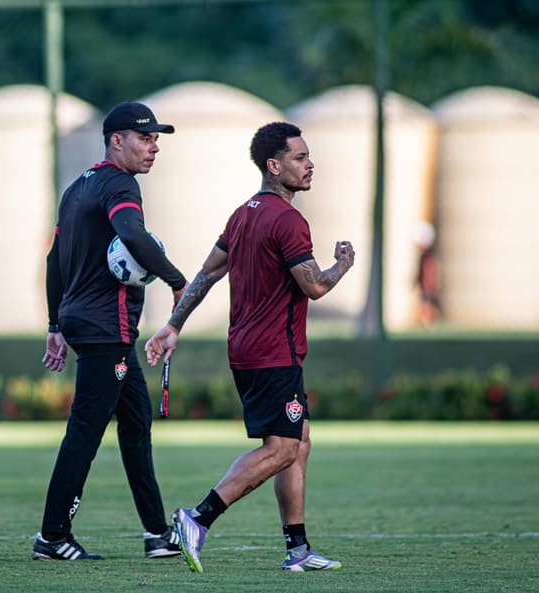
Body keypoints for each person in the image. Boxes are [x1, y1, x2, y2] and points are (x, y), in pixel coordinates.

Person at [144, 122, 355, 573]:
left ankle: (297, 550)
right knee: (281, 448)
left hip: (248, 349)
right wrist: (343, 263)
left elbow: (205, 274)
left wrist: (173, 325)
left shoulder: (243, 214)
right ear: (274, 166)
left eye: (308, 155)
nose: (309, 163)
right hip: (272, 352)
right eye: (299, 157)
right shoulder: (288, 220)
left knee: (298, 443)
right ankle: (196, 519)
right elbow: (315, 286)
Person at [33, 102, 189, 561]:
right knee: (85, 431)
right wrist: (180, 281)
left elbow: (52, 261)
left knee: (136, 424)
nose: (153, 146)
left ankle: (157, 534)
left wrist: (55, 325)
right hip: (106, 327)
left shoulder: (79, 186)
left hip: (86, 322)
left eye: (157, 139)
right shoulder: (121, 185)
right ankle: (53, 536)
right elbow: (134, 236)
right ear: (116, 140)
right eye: (145, 138)